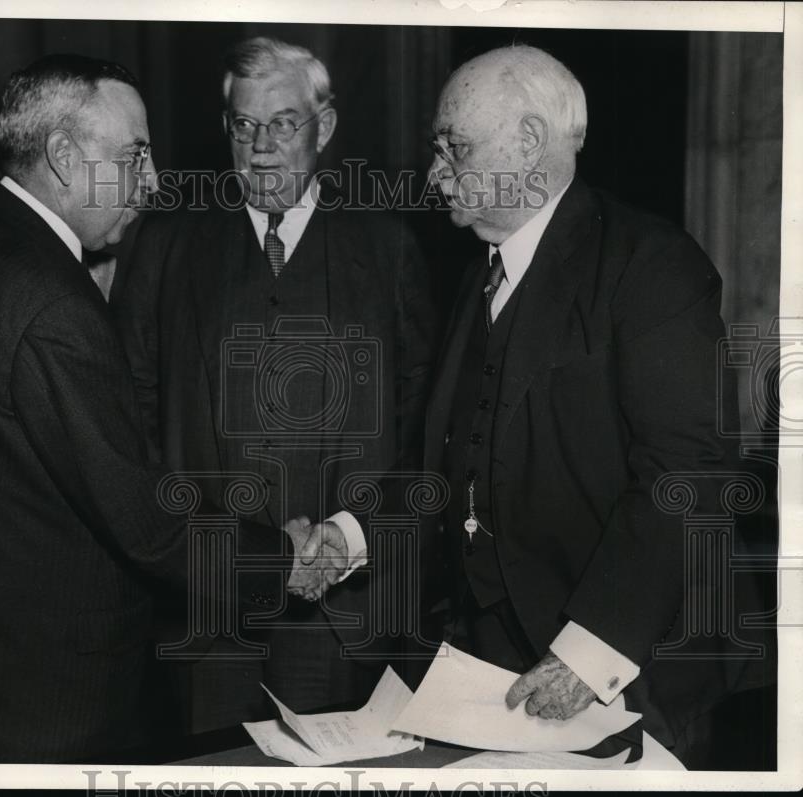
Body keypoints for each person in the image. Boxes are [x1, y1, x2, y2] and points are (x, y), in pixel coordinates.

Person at [0, 53, 325, 763]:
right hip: (44, 707)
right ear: (62, 155)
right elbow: (147, 526)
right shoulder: (54, 301)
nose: (150, 183)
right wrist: (287, 558)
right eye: (134, 156)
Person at [421, 44, 752, 765]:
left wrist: (588, 652)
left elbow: (689, 474)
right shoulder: (475, 275)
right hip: (495, 669)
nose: (433, 173)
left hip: (635, 670)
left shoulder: (653, 265)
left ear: (529, 142)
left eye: (455, 147)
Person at [111, 37, 436, 733]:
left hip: (349, 615)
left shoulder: (390, 248)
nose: (261, 146)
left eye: (283, 123)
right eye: (243, 125)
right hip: (209, 617)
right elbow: (128, 417)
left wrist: (350, 534)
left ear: (326, 125)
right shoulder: (165, 245)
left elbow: (421, 424)